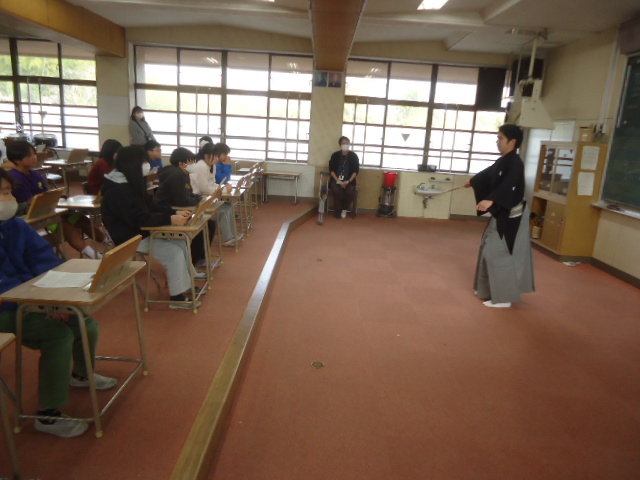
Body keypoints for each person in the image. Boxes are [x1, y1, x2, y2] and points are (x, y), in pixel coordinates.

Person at [0, 168, 117, 438]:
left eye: (9, 192)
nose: (10, 199)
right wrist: (40, 304)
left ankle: (81, 375)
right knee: (58, 336)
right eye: (4, 193)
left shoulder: (16, 226)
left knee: (85, 323)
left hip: (31, 298)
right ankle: (48, 416)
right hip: (7, 307)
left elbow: (44, 260)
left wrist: (54, 299)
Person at [101, 146, 201, 309]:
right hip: (130, 237)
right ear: (133, 163)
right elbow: (138, 219)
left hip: (142, 231)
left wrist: (174, 212)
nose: (147, 165)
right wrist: (170, 219)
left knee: (181, 243)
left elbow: (150, 205)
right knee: (173, 252)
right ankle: (176, 297)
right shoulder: (118, 189)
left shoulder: (131, 180)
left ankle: (185, 284)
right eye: (144, 161)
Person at [464, 124, 535, 308]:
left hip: (512, 216)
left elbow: (508, 184)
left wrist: (491, 199)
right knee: (487, 248)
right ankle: (487, 290)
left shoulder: (515, 163)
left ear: (512, 141)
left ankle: (503, 298)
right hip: (502, 212)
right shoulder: (504, 160)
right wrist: (473, 181)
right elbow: (489, 173)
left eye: (500, 138)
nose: (498, 141)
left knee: (499, 253)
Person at [7, 141, 105, 259]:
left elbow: (46, 194)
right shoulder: (15, 178)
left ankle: (110, 244)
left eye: (34, 154)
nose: (34, 157)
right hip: (35, 215)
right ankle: (96, 256)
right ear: (17, 160)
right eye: (29, 155)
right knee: (66, 227)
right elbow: (31, 202)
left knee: (82, 220)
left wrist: (57, 198)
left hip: (50, 209)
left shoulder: (36, 174)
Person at [153, 147, 215, 266]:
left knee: (209, 223)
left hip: (175, 208)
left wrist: (199, 199)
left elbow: (189, 194)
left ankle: (200, 259)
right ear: (181, 163)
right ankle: (192, 263)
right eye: (191, 162)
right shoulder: (176, 174)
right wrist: (198, 201)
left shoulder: (183, 174)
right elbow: (182, 201)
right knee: (203, 226)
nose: (194, 164)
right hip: (168, 211)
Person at [191, 142, 239, 246]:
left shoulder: (211, 165)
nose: (217, 159)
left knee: (229, 206)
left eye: (217, 156)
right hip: (199, 200)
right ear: (207, 156)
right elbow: (204, 188)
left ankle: (232, 236)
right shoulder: (201, 166)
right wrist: (224, 190)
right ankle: (227, 238)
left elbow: (213, 184)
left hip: (207, 198)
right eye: (215, 156)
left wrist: (223, 188)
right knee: (224, 210)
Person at [328, 136, 359, 219]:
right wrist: (338, 181)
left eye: (347, 143)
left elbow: (355, 171)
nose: (346, 145)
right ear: (340, 145)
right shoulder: (335, 155)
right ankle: (338, 210)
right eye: (344, 143)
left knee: (349, 192)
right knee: (338, 192)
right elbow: (331, 170)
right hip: (336, 179)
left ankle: (344, 209)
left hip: (349, 180)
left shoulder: (353, 156)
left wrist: (348, 181)